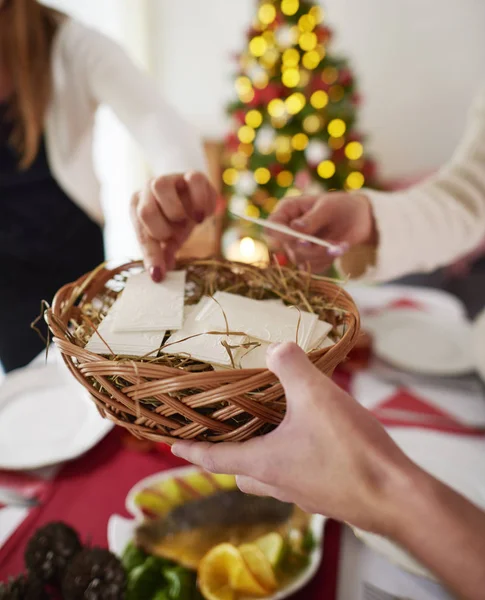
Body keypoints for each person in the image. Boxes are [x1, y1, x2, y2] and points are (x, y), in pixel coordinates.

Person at [0, 0, 206, 373]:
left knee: (87, 383)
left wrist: (178, 182)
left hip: (67, 257)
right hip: (7, 279)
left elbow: (156, 120)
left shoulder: (72, 45)